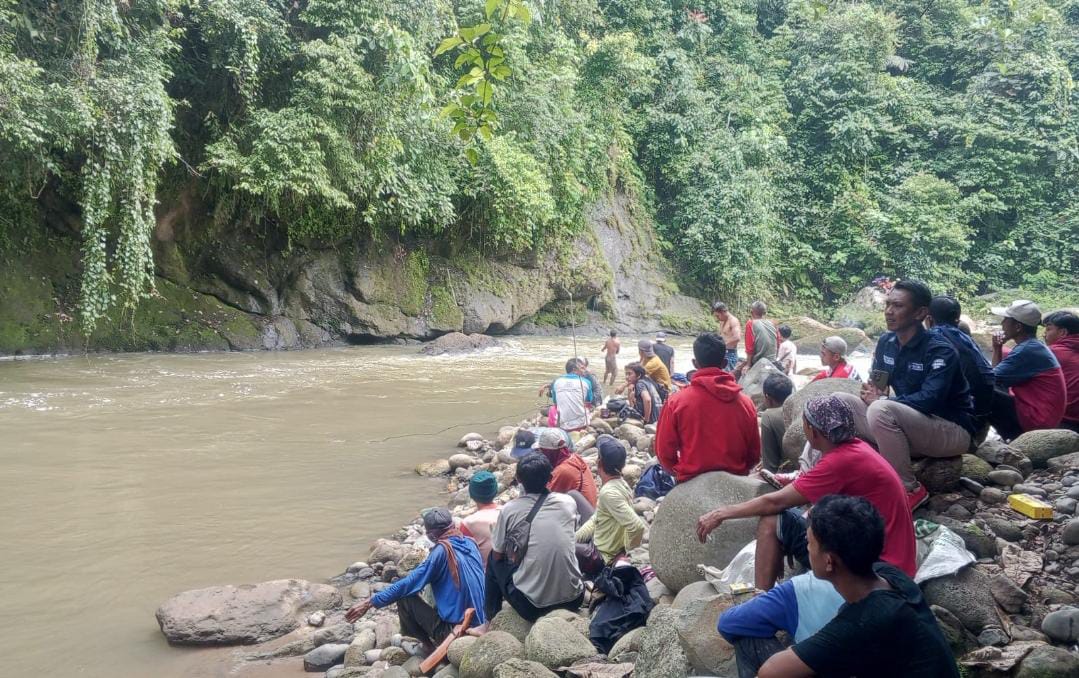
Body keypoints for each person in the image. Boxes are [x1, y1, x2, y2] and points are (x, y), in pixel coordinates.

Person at [697, 395, 917, 591]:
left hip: (879, 564)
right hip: (891, 557)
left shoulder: (839, 462)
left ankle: (760, 600)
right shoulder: (856, 448)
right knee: (790, 522)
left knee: (773, 519)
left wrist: (721, 513)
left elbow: (775, 503)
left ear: (811, 429)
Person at [756, 495, 958, 678]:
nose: (806, 548)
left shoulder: (864, 622)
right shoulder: (890, 576)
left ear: (829, 561)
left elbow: (770, 672)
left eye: (809, 543)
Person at [841, 279, 976, 511]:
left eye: (898, 306)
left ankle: (909, 489)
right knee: (839, 402)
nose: (889, 312)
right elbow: (878, 382)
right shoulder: (886, 342)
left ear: (921, 313)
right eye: (888, 305)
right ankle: (812, 473)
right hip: (909, 428)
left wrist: (881, 400)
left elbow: (929, 399)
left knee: (880, 409)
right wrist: (872, 391)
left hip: (951, 428)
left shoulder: (939, 350)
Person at [346, 507, 486, 650]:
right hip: (480, 622)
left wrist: (369, 602)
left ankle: (428, 647)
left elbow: (409, 583)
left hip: (456, 630)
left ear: (431, 535)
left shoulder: (440, 552)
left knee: (404, 596)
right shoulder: (470, 542)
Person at [479, 453, 584, 626]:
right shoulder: (568, 502)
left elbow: (498, 556)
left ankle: (489, 621)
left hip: (532, 607)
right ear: (551, 477)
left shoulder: (510, 509)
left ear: (519, 479)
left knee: (492, 558)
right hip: (574, 599)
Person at [655, 333, 760, 482]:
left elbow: (663, 452)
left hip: (692, 480)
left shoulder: (676, 402)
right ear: (724, 363)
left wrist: (679, 470)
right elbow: (754, 454)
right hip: (736, 481)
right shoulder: (746, 403)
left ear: (695, 363)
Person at [718, 571, 844, 678]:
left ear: (828, 559)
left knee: (746, 635)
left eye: (811, 542)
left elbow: (727, 624)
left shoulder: (804, 587)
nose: (806, 543)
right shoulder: (858, 598)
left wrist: (764, 604)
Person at [990, 300, 1066, 440]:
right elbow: (996, 378)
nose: (1002, 323)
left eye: (1006, 319)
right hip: (1041, 416)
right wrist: (997, 348)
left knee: (981, 390)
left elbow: (989, 379)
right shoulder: (1033, 346)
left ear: (1018, 326)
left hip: (1036, 421)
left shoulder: (1027, 350)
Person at [575, 436, 648, 569]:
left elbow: (638, 526)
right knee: (573, 495)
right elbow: (596, 519)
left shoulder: (608, 493)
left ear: (599, 463)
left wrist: (625, 551)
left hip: (602, 556)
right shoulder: (621, 483)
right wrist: (575, 538)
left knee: (559, 546)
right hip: (600, 537)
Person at [926, 296, 995, 429]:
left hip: (960, 418)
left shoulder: (934, 337)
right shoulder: (966, 338)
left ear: (929, 320)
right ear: (957, 319)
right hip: (982, 413)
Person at [536, 428, 598, 508]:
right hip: (589, 509)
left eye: (542, 451)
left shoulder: (562, 470)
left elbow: (545, 499)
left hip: (582, 517)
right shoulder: (574, 457)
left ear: (549, 452)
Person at [1045, 311, 1079, 432]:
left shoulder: (1052, 352)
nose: (1044, 334)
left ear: (1063, 332)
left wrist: (998, 348)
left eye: (1048, 329)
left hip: (1065, 421)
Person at [461, 471, 503, 566]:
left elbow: (464, 557)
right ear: (495, 491)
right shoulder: (507, 512)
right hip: (511, 574)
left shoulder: (468, 523)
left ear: (472, 495)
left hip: (484, 577)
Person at [544, 358, 594, 432]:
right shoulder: (586, 382)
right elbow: (589, 401)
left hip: (562, 426)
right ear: (574, 369)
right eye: (582, 368)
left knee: (553, 408)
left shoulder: (557, 381)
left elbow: (556, 402)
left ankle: (553, 431)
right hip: (581, 425)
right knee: (587, 406)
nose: (585, 371)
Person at [760, 373, 795, 473]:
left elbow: (770, 467)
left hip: (788, 474)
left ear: (768, 397)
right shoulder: (797, 407)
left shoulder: (769, 416)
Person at [744, 300, 779, 370]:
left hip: (758, 362)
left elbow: (749, 348)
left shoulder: (750, 324)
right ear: (765, 313)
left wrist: (748, 365)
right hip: (772, 361)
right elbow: (778, 343)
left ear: (751, 312)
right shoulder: (773, 323)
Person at [713, 301, 742, 372]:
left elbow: (737, 338)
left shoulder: (733, 321)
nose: (717, 318)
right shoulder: (722, 321)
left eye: (718, 316)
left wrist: (722, 345)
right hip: (722, 352)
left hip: (730, 353)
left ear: (723, 312)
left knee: (729, 375)